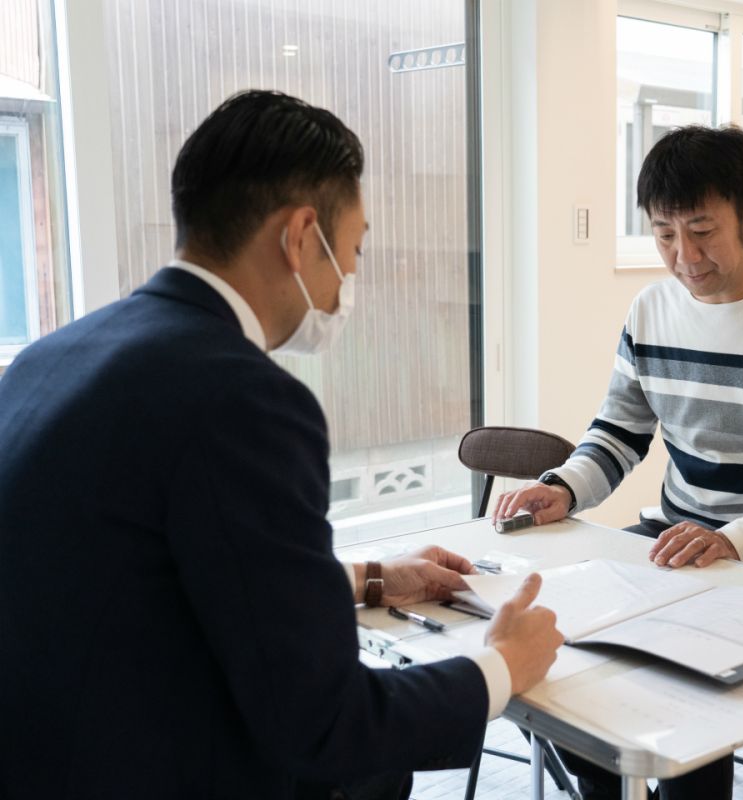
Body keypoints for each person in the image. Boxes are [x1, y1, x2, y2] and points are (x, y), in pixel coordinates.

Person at [0, 90, 563, 800]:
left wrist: (369, 577)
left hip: (45, 752)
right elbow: (323, 723)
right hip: (156, 763)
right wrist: (501, 668)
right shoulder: (243, 397)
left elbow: (153, 583)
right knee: (376, 762)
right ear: (301, 235)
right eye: (351, 250)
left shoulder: (51, 357)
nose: (349, 280)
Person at [495, 125, 743, 799]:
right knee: (548, 651)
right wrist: (564, 489)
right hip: (676, 541)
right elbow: (619, 430)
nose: (682, 255)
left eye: (701, 231)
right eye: (663, 233)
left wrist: (729, 541)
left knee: (682, 689)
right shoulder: (651, 308)